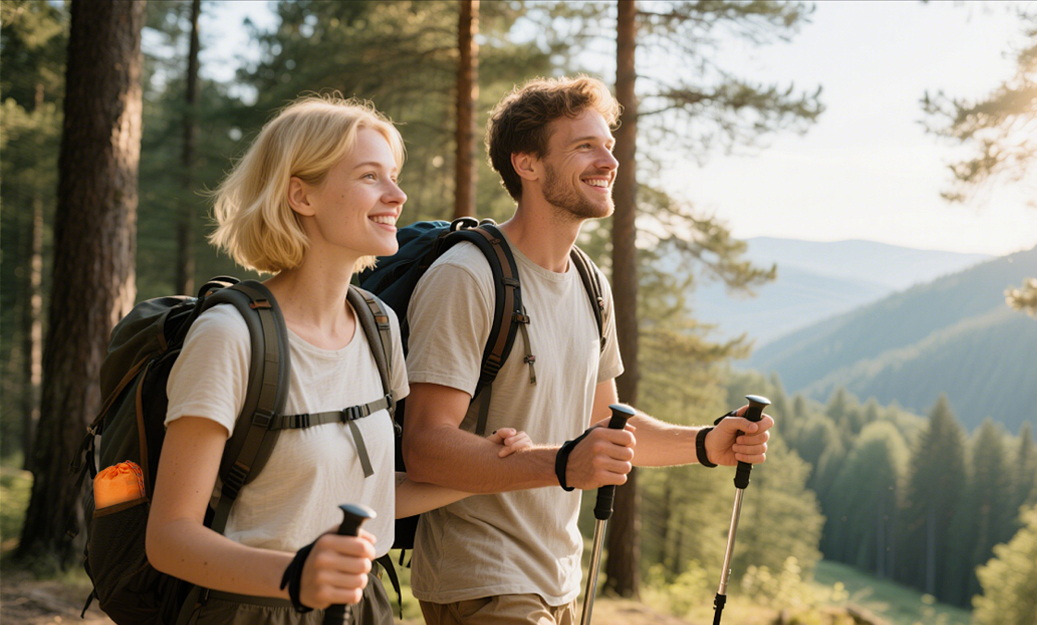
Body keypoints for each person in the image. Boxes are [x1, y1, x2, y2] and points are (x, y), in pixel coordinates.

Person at [401, 75, 776, 625]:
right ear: (526, 163)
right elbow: (426, 446)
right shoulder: (467, 275)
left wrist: (705, 445)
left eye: (609, 145)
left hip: (560, 582)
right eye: (585, 146)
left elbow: (607, 425)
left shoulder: (588, 281)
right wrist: (561, 463)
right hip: (483, 580)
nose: (609, 161)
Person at [145, 96, 530, 624]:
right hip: (256, 609)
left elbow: (359, 494)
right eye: (371, 176)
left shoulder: (378, 325)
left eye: (393, 176)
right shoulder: (229, 335)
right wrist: (296, 576)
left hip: (363, 607)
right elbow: (170, 538)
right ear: (301, 194)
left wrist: (486, 467)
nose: (398, 196)